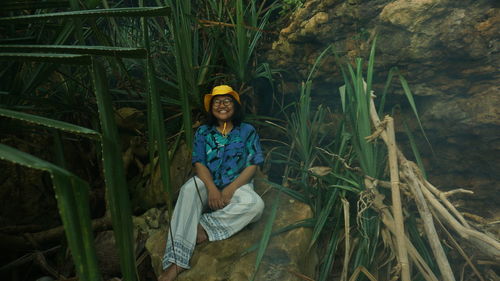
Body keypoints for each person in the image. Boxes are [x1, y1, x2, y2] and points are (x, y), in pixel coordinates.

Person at [158, 85, 265, 281]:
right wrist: (213, 190)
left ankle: (203, 228)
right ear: (211, 108)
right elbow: (199, 162)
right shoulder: (203, 132)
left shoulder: (247, 131)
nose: (222, 105)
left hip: (238, 185)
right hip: (209, 184)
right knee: (190, 189)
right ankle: (176, 262)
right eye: (217, 101)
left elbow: (253, 164)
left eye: (227, 101)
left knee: (256, 206)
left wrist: (230, 190)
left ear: (235, 106)